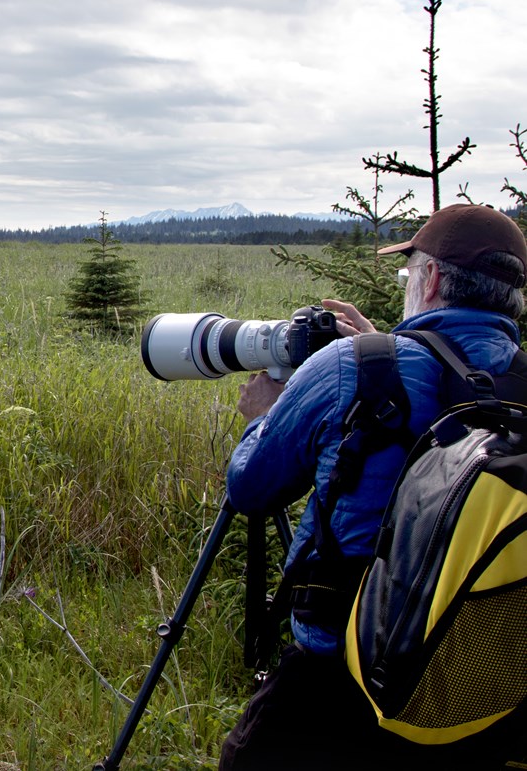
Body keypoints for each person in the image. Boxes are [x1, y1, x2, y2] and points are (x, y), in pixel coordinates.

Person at [218, 203, 527, 770]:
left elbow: (250, 489)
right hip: (476, 680)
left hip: (342, 667)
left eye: (410, 272)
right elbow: (456, 386)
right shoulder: (520, 384)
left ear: (431, 279)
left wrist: (265, 413)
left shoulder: (353, 367)